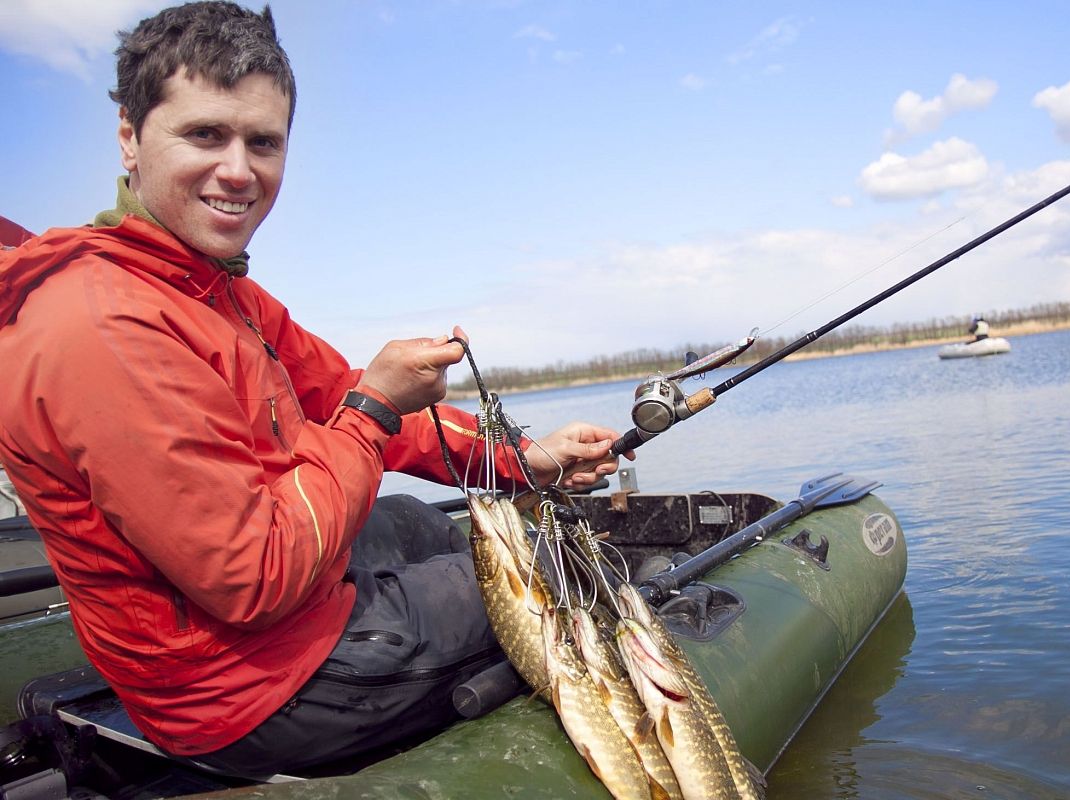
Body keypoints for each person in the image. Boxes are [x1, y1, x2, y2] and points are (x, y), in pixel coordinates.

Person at [0, 1, 629, 777]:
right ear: (130, 136)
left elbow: (346, 395)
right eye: (205, 134)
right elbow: (256, 572)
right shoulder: (101, 327)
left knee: (407, 518)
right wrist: (370, 411)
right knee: (535, 562)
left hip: (267, 627)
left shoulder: (212, 289)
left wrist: (524, 459)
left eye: (262, 142)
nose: (239, 170)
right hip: (243, 696)